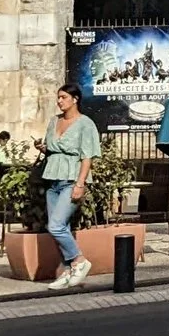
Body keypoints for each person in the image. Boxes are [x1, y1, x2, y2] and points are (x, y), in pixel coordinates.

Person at [39, 85, 102, 289]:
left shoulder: (85, 124)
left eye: (64, 97)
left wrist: (80, 184)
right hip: (53, 179)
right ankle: (67, 271)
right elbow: (52, 148)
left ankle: (79, 260)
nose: (59, 101)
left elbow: (87, 156)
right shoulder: (54, 121)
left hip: (71, 179)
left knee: (55, 226)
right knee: (61, 227)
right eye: (58, 97)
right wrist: (44, 148)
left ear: (75, 99)